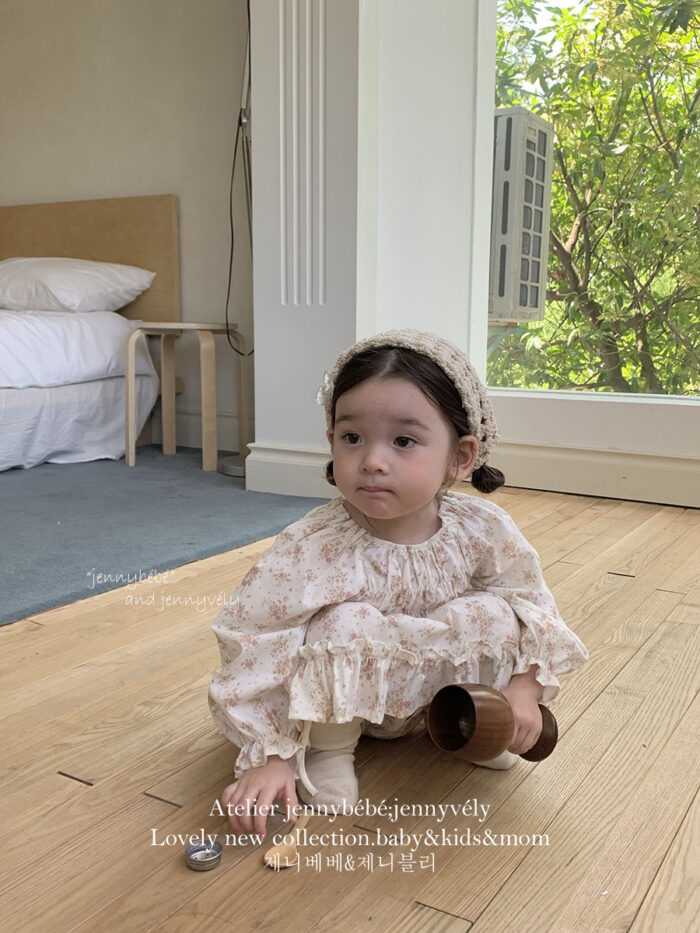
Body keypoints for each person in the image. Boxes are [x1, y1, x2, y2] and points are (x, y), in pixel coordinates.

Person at [209, 329, 588, 839]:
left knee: (495, 611)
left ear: (460, 457)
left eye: (403, 441)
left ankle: (474, 724)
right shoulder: (314, 545)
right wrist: (271, 753)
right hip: (340, 710)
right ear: (331, 440)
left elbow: (532, 604)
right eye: (352, 438)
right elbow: (256, 638)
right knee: (346, 620)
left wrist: (523, 690)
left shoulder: (481, 528)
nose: (372, 460)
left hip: (441, 699)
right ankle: (329, 751)